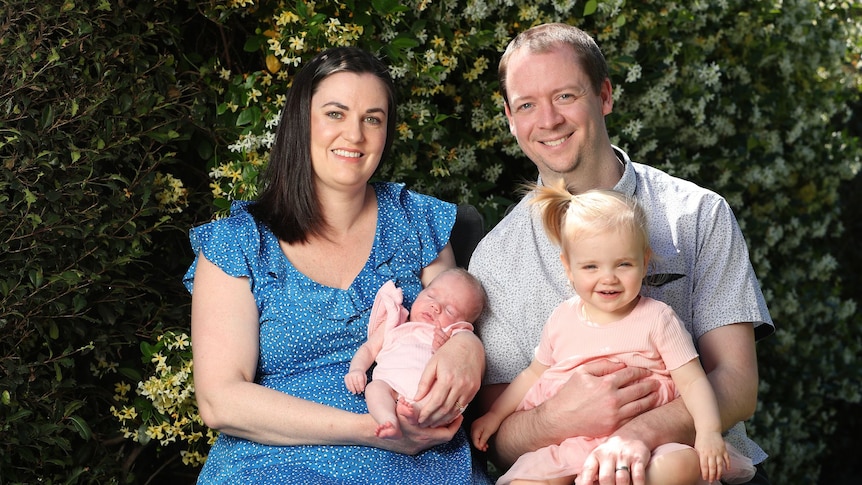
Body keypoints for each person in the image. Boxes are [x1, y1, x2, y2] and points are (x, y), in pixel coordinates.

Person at [468, 23, 774, 485]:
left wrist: (637, 433)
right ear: (510, 118)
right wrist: (557, 419)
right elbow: (499, 437)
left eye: (565, 96)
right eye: (527, 105)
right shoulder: (494, 260)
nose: (547, 119)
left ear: (605, 96)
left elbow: (736, 384)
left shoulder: (695, 214)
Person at [185, 46, 487, 484]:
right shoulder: (238, 242)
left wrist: (468, 348)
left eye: (372, 118)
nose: (356, 135)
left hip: (419, 461)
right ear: (300, 121)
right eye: (335, 113)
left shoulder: (417, 220)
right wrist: (372, 430)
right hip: (273, 463)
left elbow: (455, 313)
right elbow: (221, 402)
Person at [471, 187, 756, 485]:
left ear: (645, 262)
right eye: (591, 266)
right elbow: (532, 375)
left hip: (647, 445)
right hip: (573, 443)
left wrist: (708, 431)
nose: (608, 278)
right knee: (527, 480)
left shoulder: (657, 318)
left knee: (679, 465)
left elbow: (693, 380)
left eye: (623, 264)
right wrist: (494, 417)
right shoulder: (562, 319)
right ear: (568, 267)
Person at [346, 268, 486, 439]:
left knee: (439, 396)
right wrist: (357, 370)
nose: (435, 306)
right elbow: (368, 349)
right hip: (390, 385)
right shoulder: (395, 324)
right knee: (374, 388)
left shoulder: (450, 336)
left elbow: (457, 366)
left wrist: (445, 347)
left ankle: (417, 412)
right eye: (431, 296)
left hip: (427, 395)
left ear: (462, 323)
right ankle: (388, 421)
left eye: (450, 311)